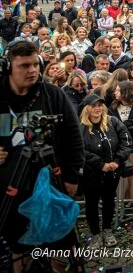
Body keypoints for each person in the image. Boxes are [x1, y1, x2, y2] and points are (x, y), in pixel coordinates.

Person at [0, 40, 85, 269]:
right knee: (18, 250)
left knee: (61, 247)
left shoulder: (52, 94)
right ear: (8, 67)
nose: (32, 70)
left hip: (50, 185)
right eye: (24, 66)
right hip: (10, 188)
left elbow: (73, 137)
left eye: (35, 64)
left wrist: (72, 178)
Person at [79, 94, 131, 249]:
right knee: (91, 203)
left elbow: (126, 141)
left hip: (112, 172)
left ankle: (107, 230)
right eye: (94, 106)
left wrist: (117, 161)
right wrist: (100, 164)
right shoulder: (80, 127)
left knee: (109, 201)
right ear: (87, 108)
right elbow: (78, 150)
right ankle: (95, 234)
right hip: (91, 173)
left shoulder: (112, 121)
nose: (98, 108)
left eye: (100, 105)